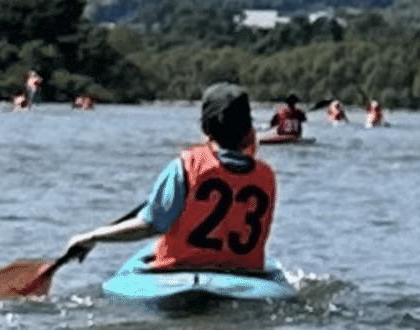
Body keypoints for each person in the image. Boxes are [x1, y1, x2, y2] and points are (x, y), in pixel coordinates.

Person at [64, 82, 277, 274]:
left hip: (179, 270)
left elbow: (152, 225)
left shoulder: (185, 166)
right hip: (244, 275)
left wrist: (92, 237)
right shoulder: (266, 175)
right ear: (249, 129)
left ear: (205, 128)